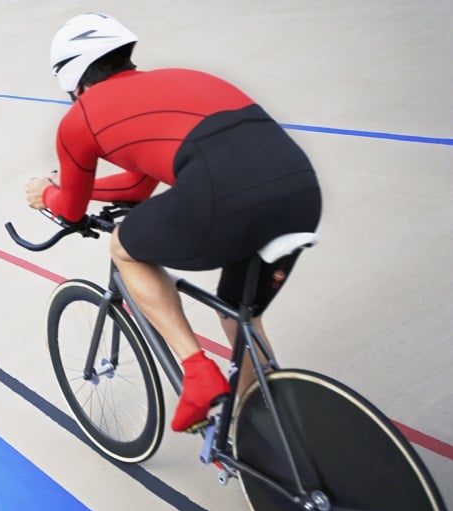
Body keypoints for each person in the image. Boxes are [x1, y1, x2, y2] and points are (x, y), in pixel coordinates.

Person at [25, 13, 321, 432]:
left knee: (123, 245)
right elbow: (137, 185)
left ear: (73, 82)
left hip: (222, 194)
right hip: (300, 189)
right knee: (241, 311)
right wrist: (80, 189)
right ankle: (269, 430)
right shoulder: (181, 78)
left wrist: (47, 192)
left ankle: (198, 372)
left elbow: (70, 209)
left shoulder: (80, 118)